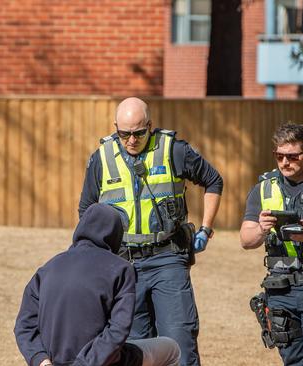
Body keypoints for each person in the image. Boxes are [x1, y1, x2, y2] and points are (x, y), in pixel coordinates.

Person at [78, 97, 223, 366]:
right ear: (115, 128)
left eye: (139, 133)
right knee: (133, 348)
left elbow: (213, 180)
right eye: (124, 134)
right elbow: (86, 210)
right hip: (122, 265)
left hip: (168, 258)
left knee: (180, 342)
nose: (132, 140)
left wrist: (206, 229)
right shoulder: (101, 159)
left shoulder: (173, 150)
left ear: (151, 126)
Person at [14, 203, 181, 366]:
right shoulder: (120, 268)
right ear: (115, 235)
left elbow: (24, 325)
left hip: (52, 361)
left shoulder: (47, 268)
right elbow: (119, 329)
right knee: (172, 349)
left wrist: (41, 360)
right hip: (99, 360)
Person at [241, 123, 303, 365]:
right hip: (279, 289)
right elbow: (246, 239)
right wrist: (261, 229)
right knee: (293, 361)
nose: (284, 162)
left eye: (292, 156)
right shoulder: (263, 189)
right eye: (279, 156)